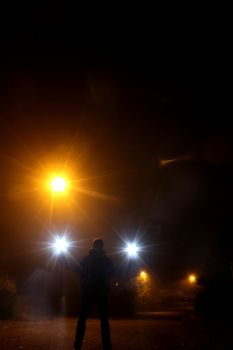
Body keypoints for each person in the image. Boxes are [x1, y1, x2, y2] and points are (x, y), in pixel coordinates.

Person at [73, 238, 114, 350]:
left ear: (93, 246)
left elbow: (78, 270)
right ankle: (107, 346)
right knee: (104, 321)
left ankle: (77, 345)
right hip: (100, 293)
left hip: (88, 292)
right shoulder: (106, 260)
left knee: (82, 319)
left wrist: (83, 285)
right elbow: (113, 272)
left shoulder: (86, 259)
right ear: (102, 247)